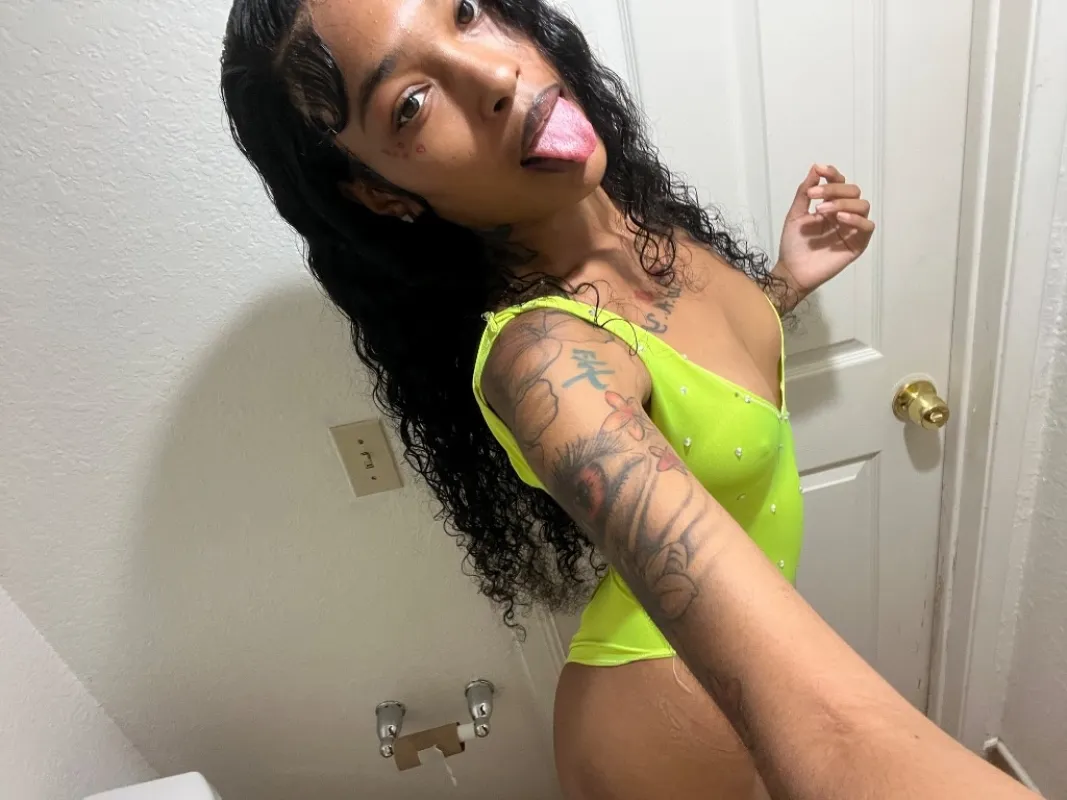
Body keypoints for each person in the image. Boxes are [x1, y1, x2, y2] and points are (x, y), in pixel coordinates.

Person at [219, 2, 1036, 797]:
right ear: (378, 192)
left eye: (464, 11)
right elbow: (835, 729)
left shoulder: (638, 228)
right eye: (410, 104)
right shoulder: (544, 360)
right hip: (664, 738)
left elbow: (691, 379)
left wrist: (783, 283)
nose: (494, 74)